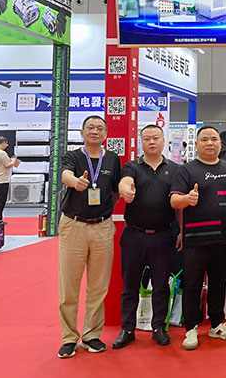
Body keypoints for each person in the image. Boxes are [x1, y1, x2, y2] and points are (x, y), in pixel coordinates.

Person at [170, 125, 226, 350]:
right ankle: (191, 328)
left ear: (221, 144)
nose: (209, 143)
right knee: (192, 286)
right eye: (204, 139)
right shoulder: (186, 171)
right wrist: (187, 199)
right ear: (196, 144)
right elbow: (174, 201)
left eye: (214, 139)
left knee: (218, 285)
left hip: (224, 240)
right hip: (195, 241)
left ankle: (216, 325)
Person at [57, 115, 121, 358]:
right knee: (69, 286)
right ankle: (69, 338)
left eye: (100, 128)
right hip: (74, 225)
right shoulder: (72, 156)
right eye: (90, 128)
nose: (95, 131)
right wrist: (76, 182)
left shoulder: (112, 159)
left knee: (98, 286)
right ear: (82, 133)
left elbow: (115, 191)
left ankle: (91, 335)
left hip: (103, 227)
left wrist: (105, 208)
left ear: (106, 134)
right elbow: (65, 175)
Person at [112, 125, 179, 350]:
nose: (152, 142)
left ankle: (159, 327)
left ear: (163, 140)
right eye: (147, 138)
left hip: (163, 235)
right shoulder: (132, 167)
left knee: (161, 284)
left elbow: (179, 204)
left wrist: (181, 231)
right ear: (141, 142)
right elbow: (124, 181)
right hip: (134, 235)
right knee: (130, 284)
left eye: (156, 138)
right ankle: (127, 328)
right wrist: (125, 190)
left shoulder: (175, 169)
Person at [0, 136, 20, 220]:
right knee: (0, 201)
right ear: (4, 143)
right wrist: (13, 160)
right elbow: (8, 165)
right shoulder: (2, 153)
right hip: (2, 179)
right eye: (6, 144)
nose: (6, 146)